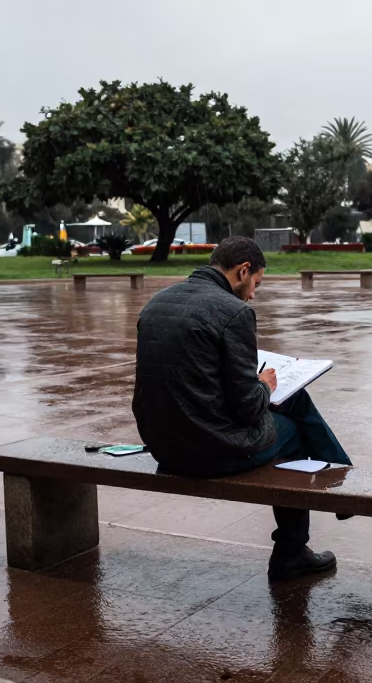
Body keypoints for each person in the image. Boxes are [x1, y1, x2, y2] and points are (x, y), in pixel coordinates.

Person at [132, 236, 352, 581]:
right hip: (211, 452)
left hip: (163, 447)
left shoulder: (157, 303)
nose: (253, 295)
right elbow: (248, 409)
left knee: (293, 401)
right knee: (295, 428)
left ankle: (340, 485)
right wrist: (263, 385)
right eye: (256, 285)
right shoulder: (234, 312)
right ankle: (293, 551)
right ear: (244, 270)